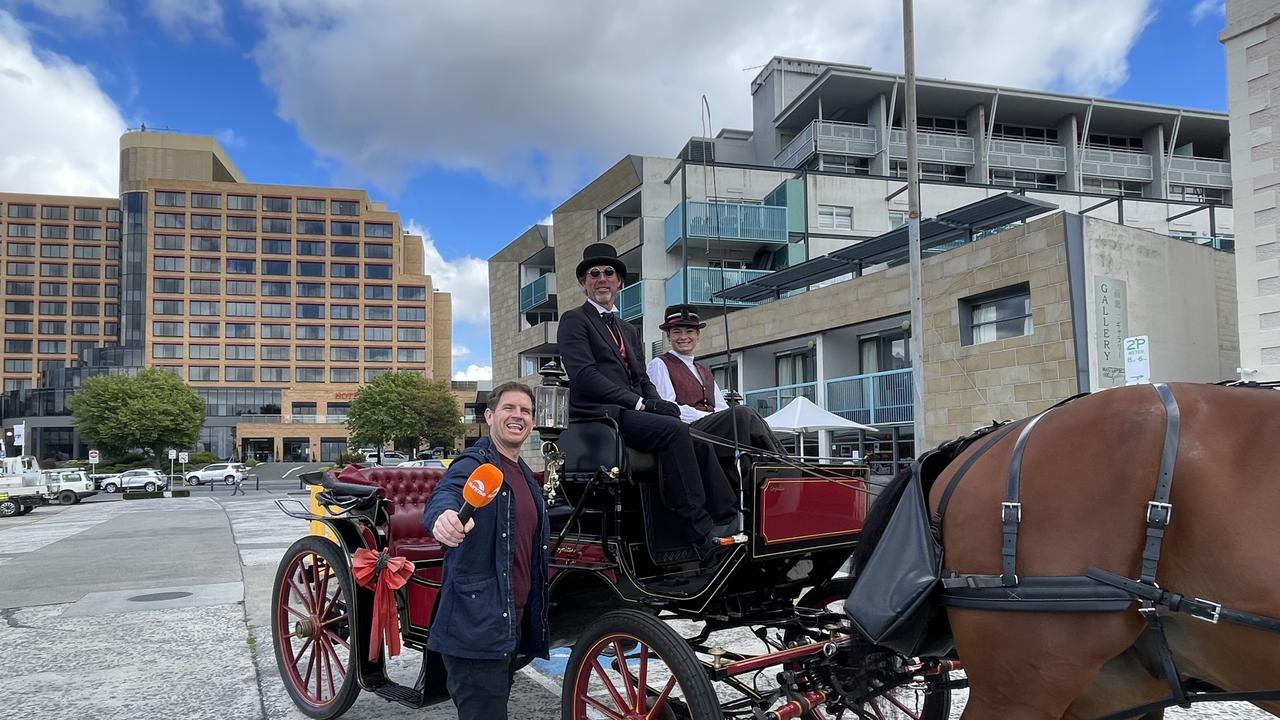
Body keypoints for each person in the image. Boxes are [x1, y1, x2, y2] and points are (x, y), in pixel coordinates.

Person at [556, 242, 739, 562]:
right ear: (584, 282)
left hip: (631, 412)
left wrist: (656, 402)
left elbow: (642, 378)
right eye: (594, 273)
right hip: (601, 415)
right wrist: (640, 404)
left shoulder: (627, 328)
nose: (602, 278)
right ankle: (698, 528)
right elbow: (585, 376)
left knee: (697, 437)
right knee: (674, 431)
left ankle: (727, 516)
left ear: (619, 282)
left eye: (609, 273)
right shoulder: (574, 320)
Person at [421, 382, 549, 720]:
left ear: (532, 423)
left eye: (526, 411)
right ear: (490, 415)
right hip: (475, 626)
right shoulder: (477, 463)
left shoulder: (523, 474)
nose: (518, 415)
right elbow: (446, 493)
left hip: (508, 625)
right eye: (509, 408)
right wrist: (444, 519)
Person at [646, 304, 788, 456]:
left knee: (746, 417)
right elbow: (668, 409)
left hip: (710, 429)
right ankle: (783, 461)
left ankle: (773, 463)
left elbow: (722, 408)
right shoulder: (660, 364)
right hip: (686, 429)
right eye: (676, 332)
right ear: (668, 336)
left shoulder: (703, 370)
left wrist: (719, 417)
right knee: (743, 413)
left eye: (689, 331)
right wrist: (710, 417)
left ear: (698, 335)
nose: (683, 337)